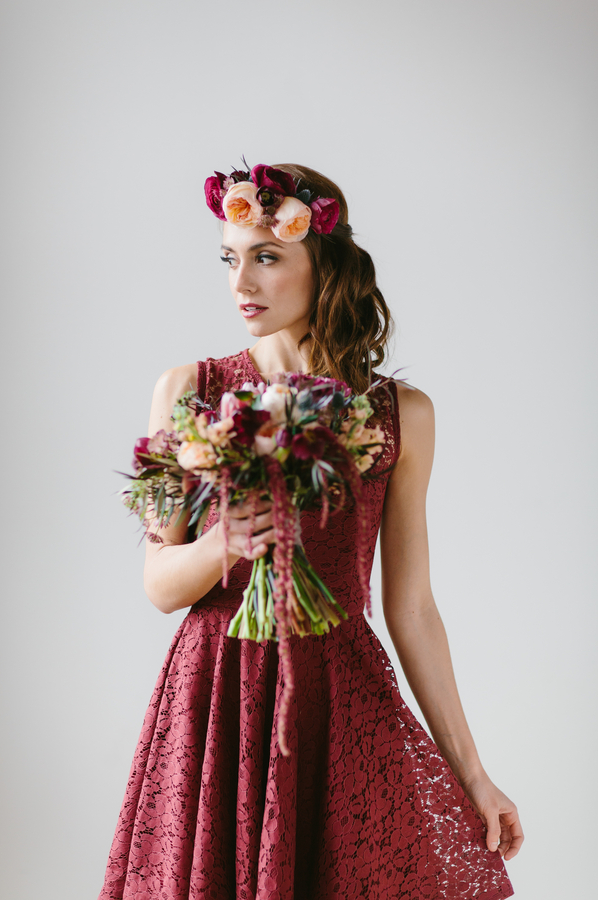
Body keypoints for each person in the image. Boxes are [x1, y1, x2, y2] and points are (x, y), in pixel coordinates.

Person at [98, 163, 523, 900]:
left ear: (322, 266)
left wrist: (474, 773)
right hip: (217, 695)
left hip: (337, 695)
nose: (242, 284)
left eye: (266, 257)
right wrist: (224, 542)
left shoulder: (401, 415)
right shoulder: (186, 391)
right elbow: (159, 586)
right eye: (231, 259)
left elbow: (412, 607)